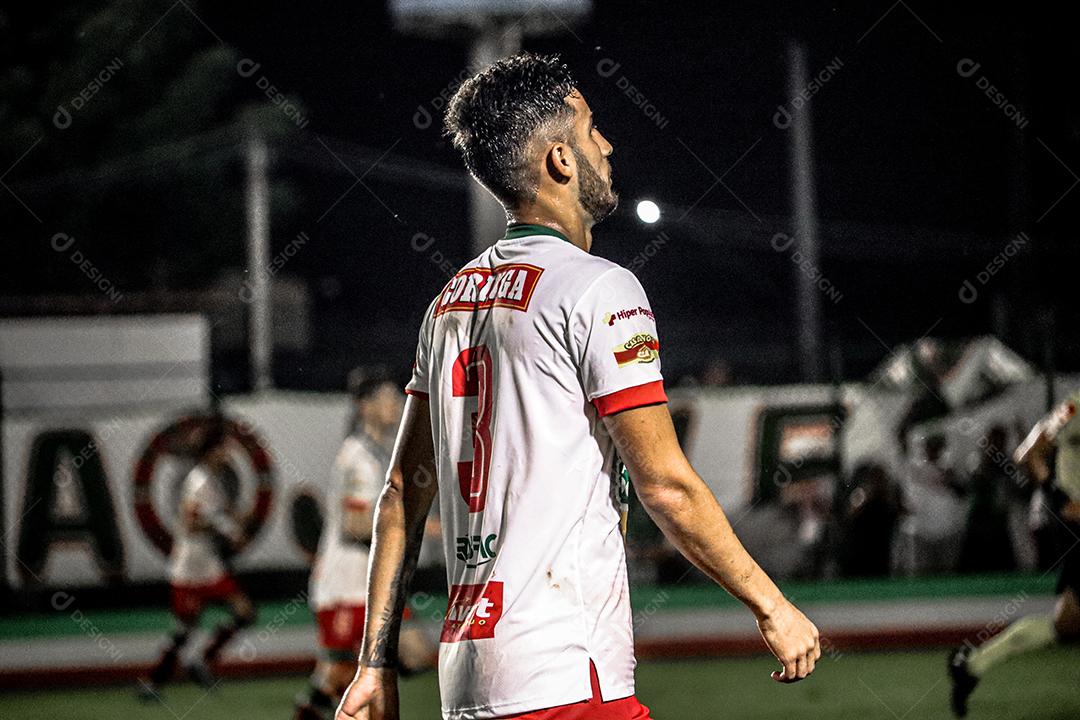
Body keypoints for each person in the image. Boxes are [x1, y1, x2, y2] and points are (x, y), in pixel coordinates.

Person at [336, 53, 820, 720]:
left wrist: (374, 663)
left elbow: (400, 493)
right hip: (563, 673)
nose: (608, 144)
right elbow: (667, 486)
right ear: (561, 160)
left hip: (471, 679)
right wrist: (772, 605)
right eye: (592, 130)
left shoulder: (448, 303)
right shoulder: (599, 288)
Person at [293, 369, 435, 719]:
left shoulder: (379, 452)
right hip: (344, 583)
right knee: (341, 675)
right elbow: (355, 525)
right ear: (364, 406)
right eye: (388, 397)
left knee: (413, 654)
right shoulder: (356, 456)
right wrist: (414, 526)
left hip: (371, 582)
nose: (397, 404)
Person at [949, 395, 1080, 717]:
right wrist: (1058, 496)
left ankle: (971, 665)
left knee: (1068, 623)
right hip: (1076, 525)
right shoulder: (1074, 408)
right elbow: (1027, 453)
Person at [138, 419, 255, 699]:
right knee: (185, 629)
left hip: (208, 563)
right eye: (223, 447)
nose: (228, 452)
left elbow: (216, 511)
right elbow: (190, 524)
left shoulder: (210, 478)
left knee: (244, 612)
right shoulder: (198, 480)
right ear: (211, 450)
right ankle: (153, 682)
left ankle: (201, 660)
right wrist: (225, 529)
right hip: (190, 565)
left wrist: (234, 519)